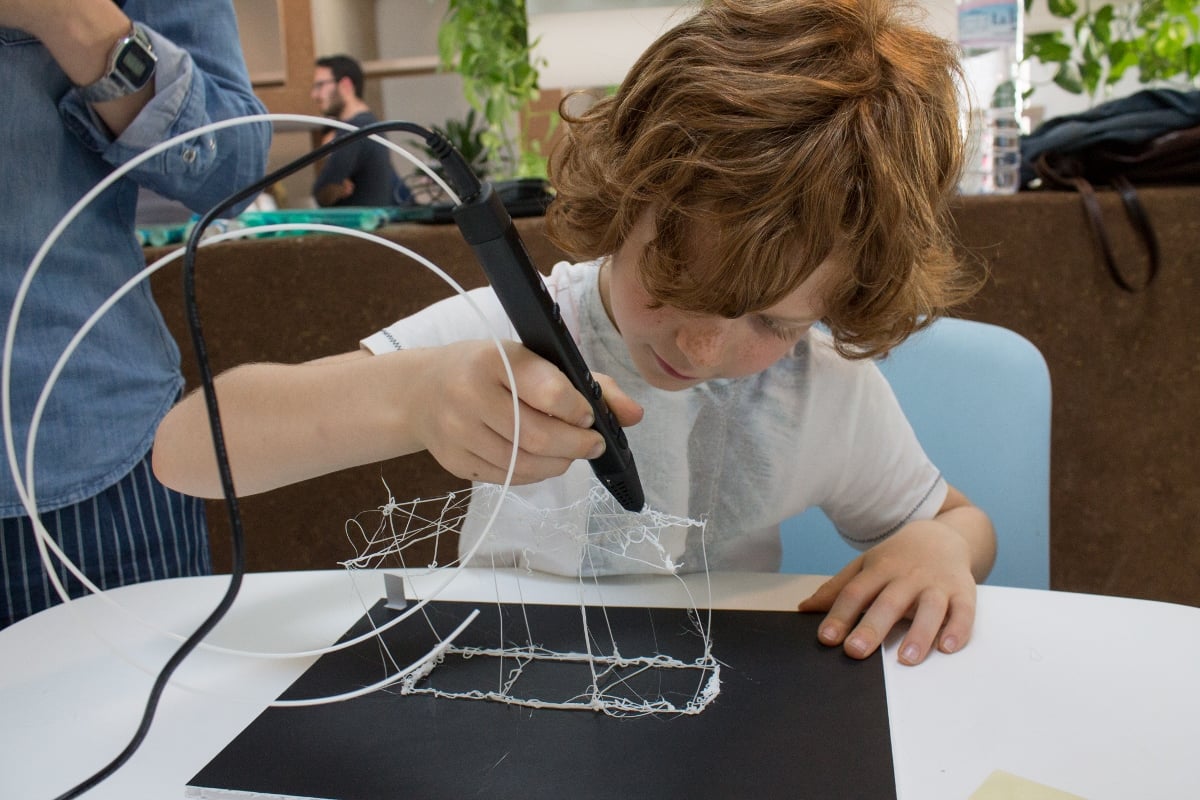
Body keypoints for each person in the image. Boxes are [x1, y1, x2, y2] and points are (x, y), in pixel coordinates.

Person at [153, 0, 997, 666]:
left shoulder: (827, 394)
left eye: (774, 322)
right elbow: (187, 453)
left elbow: (963, 524)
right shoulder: (522, 337)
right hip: (510, 685)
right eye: (674, 280)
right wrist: (409, 398)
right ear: (627, 203)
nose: (701, 349)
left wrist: (937, 545)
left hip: (728, 710)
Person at [0, 0, 271, 629]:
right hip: (84, 444)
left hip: (83, 465)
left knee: (156, 724)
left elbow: (234, 165)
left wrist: (71, 19)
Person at [310, 54, 410, 207]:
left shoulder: (353, 131)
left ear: (345, 85)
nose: (315, 95)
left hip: (353, 229)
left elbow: (322, 193)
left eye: (320, 85)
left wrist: (330, 164)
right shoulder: (370, 125)